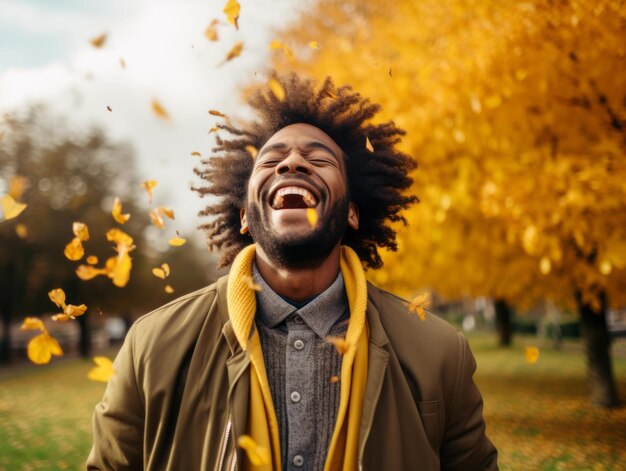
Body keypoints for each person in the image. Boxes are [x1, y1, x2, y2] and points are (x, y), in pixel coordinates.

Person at [87, 73, 498, 471]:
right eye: (272, 159)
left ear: (353, 212)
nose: (294, 163)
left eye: (318, 158)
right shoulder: (151, 347)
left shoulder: (441, 353)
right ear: (245, 215)